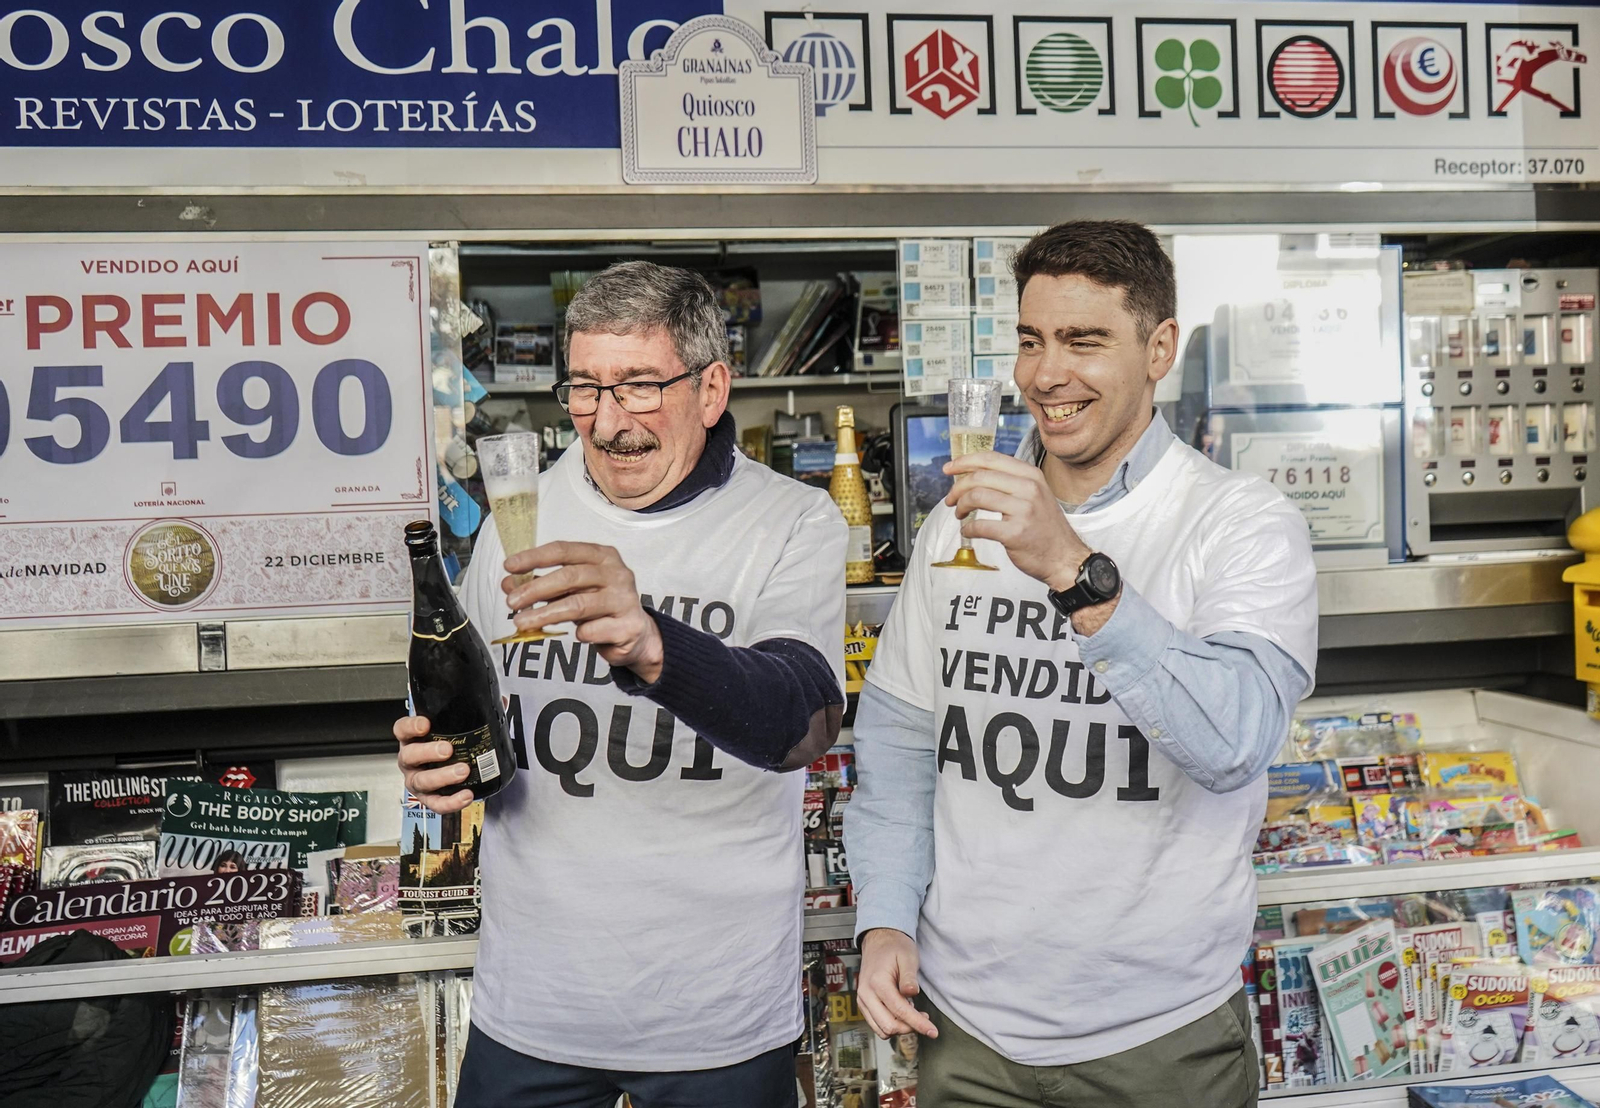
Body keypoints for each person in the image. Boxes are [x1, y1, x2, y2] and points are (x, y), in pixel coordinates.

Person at [845, 220, 1318, 1108]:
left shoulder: (1242, 524)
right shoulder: (957, 524)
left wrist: (1074, 569)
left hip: (1161, 1037)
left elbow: (1235, 740)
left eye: (1083, 340)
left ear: (1160, 349)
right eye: (1031, 341)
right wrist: (884, 918)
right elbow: (902, 747)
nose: (1045, 374)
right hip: (967, 1032)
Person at [393, 262, 847, 1108]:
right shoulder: (520, 511)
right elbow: (483, 703)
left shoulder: (793, 522)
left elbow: (804, 724)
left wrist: (652, 642)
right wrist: (441, 758)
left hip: (716, 1014)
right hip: (532, 1004)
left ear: (712, 389)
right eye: (586, 389)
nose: (607, 423)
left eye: (640, 387)